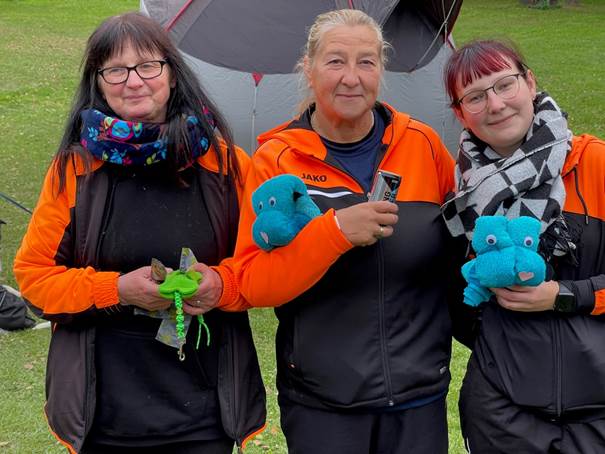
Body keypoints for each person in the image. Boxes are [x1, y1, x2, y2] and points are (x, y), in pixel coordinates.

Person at [13, 12, 265, 454]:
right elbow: (35, 280)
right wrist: (118, 290)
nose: (133, 81)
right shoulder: (75, 169)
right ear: (98, 80)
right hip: (106, 414)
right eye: (115, 69)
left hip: (205, 413)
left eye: (147, 65)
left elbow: (264, 270)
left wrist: (222, 284)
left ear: (172, 72)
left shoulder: (226, 166)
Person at [230, 9, 466, 454]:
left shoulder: (422, 145)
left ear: (382, 69)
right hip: (324, 405)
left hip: (419, 400)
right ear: (309, 68)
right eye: (336, 61)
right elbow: (254, 284)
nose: (351, 78)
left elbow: (462, 243)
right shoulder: (276, 160)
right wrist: (334, 232)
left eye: (366, 62)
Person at [442, 39, 605, 453]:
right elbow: (456, 299)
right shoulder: (458, 193)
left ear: (530, 83)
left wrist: (563, 296)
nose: (495, 105)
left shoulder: (593, 164)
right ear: (460, 113)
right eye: (475, 97)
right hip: (501, 415)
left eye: (504, 85)